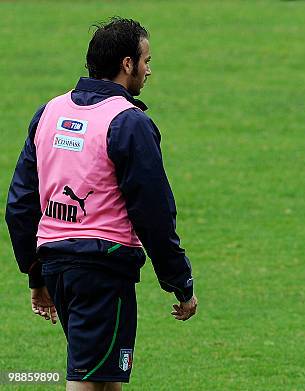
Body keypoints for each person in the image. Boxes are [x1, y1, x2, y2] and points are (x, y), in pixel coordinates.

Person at [5, 17, 197, 391]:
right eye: (146, 60)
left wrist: (36, 273)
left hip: (59, 265)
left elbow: (20, 203)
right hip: (102, 270)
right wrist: (180, 281)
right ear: (127, 64)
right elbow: (154, 213)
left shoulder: (49, 113)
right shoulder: (127, 122)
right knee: (86, 380)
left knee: (104, 380)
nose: (148, 70)